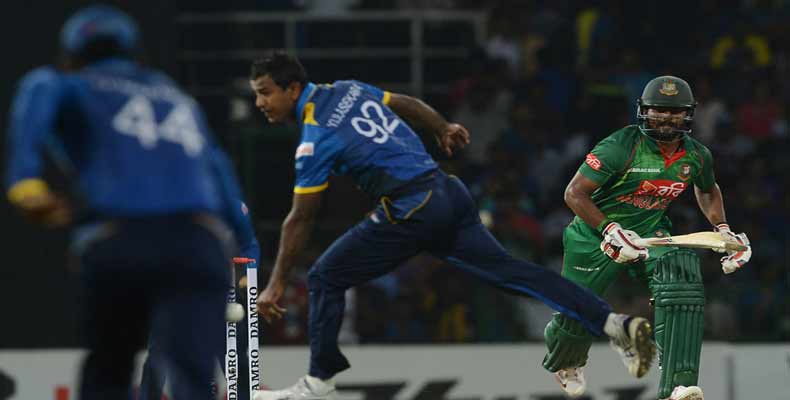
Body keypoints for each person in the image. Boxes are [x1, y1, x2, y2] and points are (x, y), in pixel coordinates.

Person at [248, 52, 656, 400]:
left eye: (265, 92)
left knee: (323, 277)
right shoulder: (348, 89)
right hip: (447, 191)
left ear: (293, 88)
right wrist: (441, 126)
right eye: (256, 94)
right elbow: (404, 103)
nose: (259, 102)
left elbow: (300, 218)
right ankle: (613, 323)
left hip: (412, 206)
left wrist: (276, 283)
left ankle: (319, 381)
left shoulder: (315, 138)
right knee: (514, 272)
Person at [4, 6, 248, 400]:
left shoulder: (68, 82)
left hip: (119, 238)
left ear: (71, 55)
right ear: (135, 52)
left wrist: (25, 182)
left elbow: (39, 92)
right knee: (194, 373)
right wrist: (243, 248)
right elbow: (220, 173)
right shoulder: (177, 97)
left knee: (109, 369)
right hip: (198, 243)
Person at [543, 76, 752, 400]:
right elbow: (574, 194)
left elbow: (707, 189)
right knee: (576, 309)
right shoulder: (620, 146)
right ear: (644, 110)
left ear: (688, 114)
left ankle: (677, 385)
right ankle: (566, 361)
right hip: (593, 235)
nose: (666, 117)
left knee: (681, 279)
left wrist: (722, 229)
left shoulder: (696, 156)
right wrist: (610, 230)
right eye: (658, 110)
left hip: (650, 233)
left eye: (674, 111)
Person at [139, 199, 261, 400]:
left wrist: (249, 272)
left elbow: (249, 245)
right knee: (159, 355)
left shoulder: (234, 206)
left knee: (234, 355)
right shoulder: (173, 203)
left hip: (219, 290)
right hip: (174, 290)